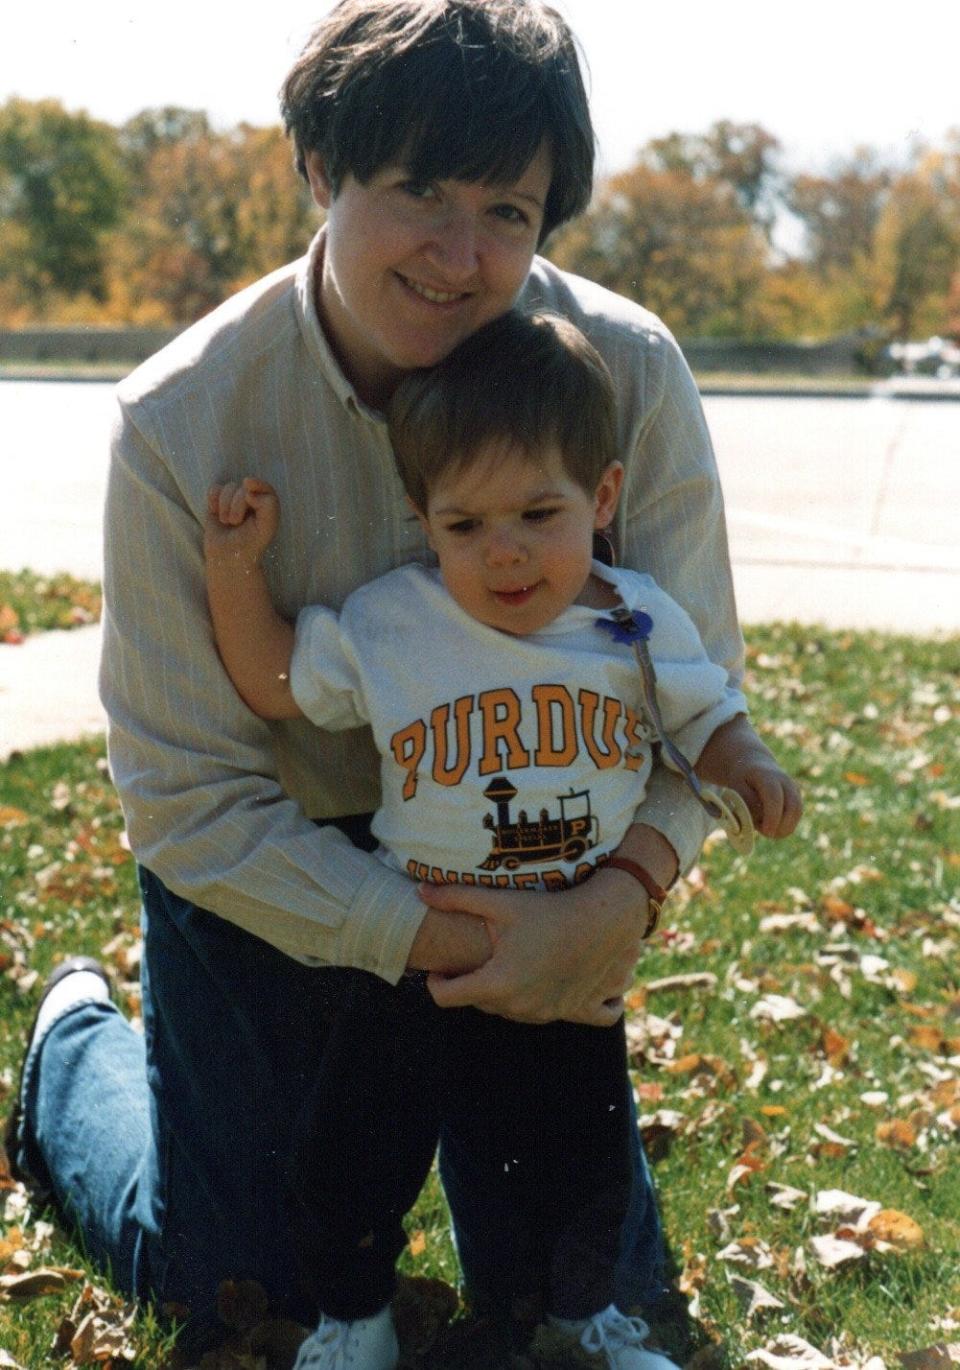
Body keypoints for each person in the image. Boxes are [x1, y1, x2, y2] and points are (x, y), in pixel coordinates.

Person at [5, 2, 801, 1366]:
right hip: (276, 871)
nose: (459, 253)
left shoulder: (629, 376)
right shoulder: (180, 422)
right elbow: (191, 801)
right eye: (418, 190)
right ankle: (75, 1049)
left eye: (507, 207)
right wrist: (429, 936)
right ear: (322, 169)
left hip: (548, 875)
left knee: (573, 1290)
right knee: (247, 1282)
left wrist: (619, 897)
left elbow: (694, 696)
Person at [201, 308, 795, 1368]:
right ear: (423, 518)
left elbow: (707, 715)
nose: (505, 550)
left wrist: (745, 762)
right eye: (466, 524)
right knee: (356, 1149)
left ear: (603, 498)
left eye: (538, 511)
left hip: (570, 935)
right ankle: (355, 1320)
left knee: (576, 1153)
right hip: (419, 938)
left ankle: (571, 1318)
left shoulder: (636, 615)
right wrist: (239, 569)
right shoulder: (393, 621)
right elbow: (277, 680)